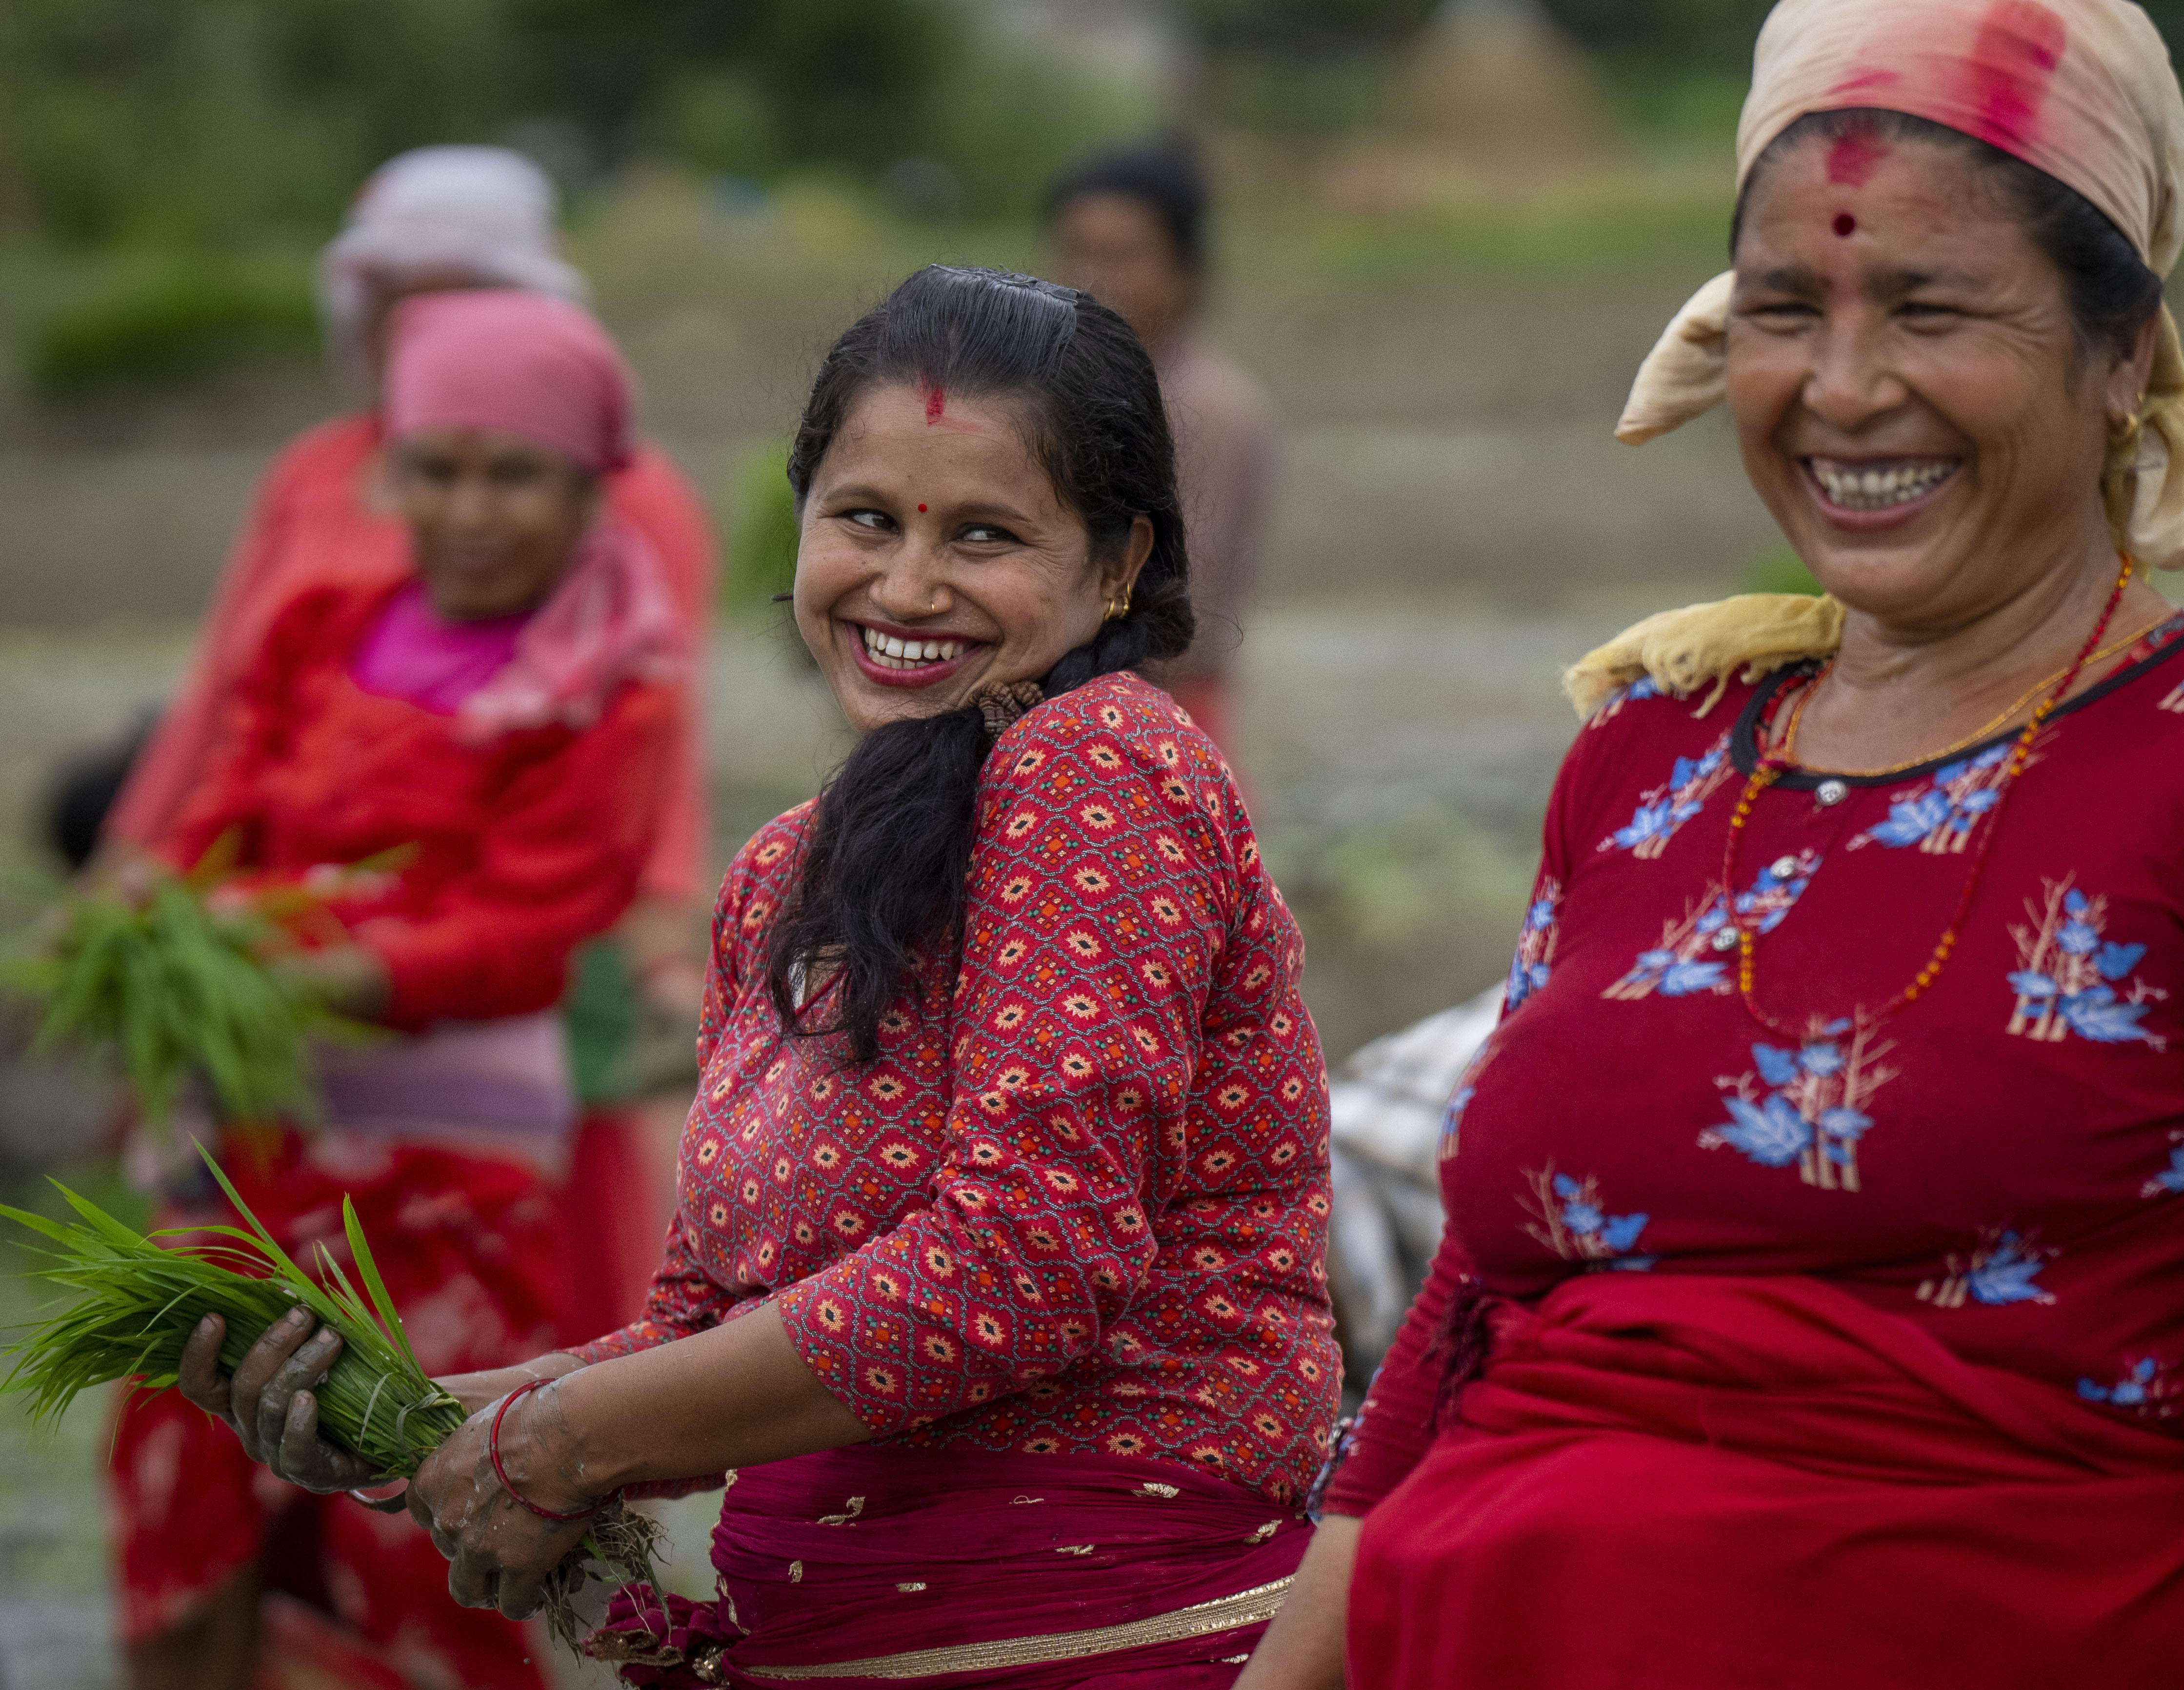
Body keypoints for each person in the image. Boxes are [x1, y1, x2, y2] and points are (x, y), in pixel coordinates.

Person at [1239, 2, 2184, 1687]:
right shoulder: (1654, 748)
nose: (1843, 388)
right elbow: (1475, 1304)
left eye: (1932, 308)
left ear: (2123, 353)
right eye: (1785, 311)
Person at [176, 266, 1342, 1688]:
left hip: (1092, 1636)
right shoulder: (783, 877)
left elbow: (1026, 1259)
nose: (906, 587)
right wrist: (425, 1421)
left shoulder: (1099, 762)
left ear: (1114, 565)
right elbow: (703, 1330)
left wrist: (556, 1447)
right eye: (864, 519)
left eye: (983, 534)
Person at [112, 291, 686, 1690]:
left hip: (445, 1184)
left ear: (589, 485)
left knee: (408, 1539)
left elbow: (530, 924)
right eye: (438, 467)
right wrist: (165, 915)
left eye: (517, 473)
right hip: (245, 1146)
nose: (472, 508)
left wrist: (320, 965)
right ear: (392, 474)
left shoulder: (616, 688)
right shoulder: (318, 625)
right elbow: (216, 810)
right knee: (188, 1538)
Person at [1048, 139, 1277, 770]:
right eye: (1076, 250)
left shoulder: (1211, 411)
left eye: (1124, 255)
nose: (1092, 278)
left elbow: (1181, 617)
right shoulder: (1049, 400)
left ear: (1186, 271)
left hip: (1157, 729)